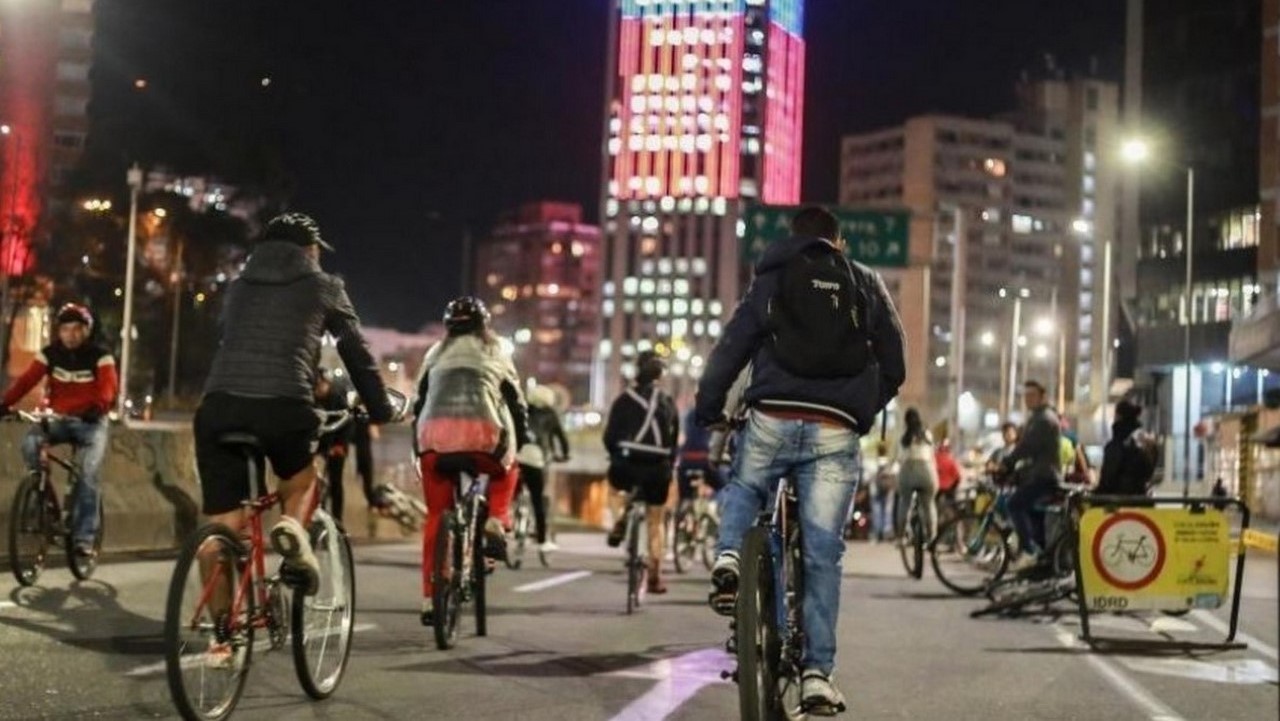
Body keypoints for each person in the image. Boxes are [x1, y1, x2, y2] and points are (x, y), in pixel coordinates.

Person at [695, 206, 906, 711]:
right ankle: (816, 674)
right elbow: (895, 363)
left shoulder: (772, 276)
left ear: (793, 239)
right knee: (821, 552)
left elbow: (732, 347)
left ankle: (729, 559)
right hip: (835, 428)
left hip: (772, 414)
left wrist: (710, 408)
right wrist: (859, 408)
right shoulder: (864, 282)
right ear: (840, 242)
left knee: (747, 488)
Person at [195, 213, 395, 595]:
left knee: (221, 527)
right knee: (303, 482)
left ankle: (221, 641)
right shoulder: (325, 286)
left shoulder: (237, 288)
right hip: (284, 405)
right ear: (309, 250)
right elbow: (356, 353)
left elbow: (227, 338)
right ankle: (289, 529)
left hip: (218, 407)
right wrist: (381, 409)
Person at [413, 296, 528, 625]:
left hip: (433, 440)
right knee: (509, 468)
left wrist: (419, 445)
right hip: (484, 439)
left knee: (437, 514)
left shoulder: (434, 354)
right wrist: (523, 436)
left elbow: (419, 403)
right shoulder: (496, 352)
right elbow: (516, 404)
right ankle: (496, 517)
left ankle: (428, 598)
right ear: (484, 326)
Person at [1, 303, 116, 559]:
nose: (71, 335)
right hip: (59, 419)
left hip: (91, 423)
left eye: (77, 329)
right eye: (65, 329)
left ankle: (85, 538)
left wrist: (97, 408)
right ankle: (42, 495)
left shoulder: (101, 356)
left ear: (87, 331)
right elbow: (26, 380)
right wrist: (5, 404)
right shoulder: (50, 354)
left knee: (88, 473)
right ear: (59, 331)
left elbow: (108, 389)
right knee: (30, 443)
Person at [603, 349, 679, 594]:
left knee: (615, 485)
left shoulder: (623, 399)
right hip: (658, 469)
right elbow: (673, 442)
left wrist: (616, 454)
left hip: (626, 466)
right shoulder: (667, 402)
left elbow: (610, 437)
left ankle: (620, 519)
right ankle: (655, 575)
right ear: (660, 375)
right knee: (656, 520)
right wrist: (670, 465)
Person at [1001, 380, 1062, 566]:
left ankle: (1029, 550)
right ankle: (1041, 557)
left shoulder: (1044, 419)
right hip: (1038, 474)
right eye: (1026, 396)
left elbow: (1027, 446)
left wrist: (1007, 463)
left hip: (1044, 476)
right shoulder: (1038, 417)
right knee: (1033, 514)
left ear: (1042, 397)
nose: (1028, 400)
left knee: (1014, 504)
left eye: (1032, 396)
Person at [516, 383, 570, 552]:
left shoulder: (523, 410)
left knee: (510, 492)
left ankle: (509, 519)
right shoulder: (551, 415)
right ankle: (542, 541)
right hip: (536, 458)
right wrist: (565, 454)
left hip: (516, 457)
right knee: (537, 500)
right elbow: (562, 438)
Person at [895, 408, 939, 545]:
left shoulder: (903, 437)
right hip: (926, 470)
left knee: (904, 503)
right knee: (929, 504)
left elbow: (899, 458)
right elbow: (932, 456)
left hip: (908, 470)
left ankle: (901, 537)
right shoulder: (927, 435)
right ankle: (931, 537)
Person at [1096, 398, 1156, 496]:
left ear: (1119, 416)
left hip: (1118, 503)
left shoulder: (1117, 445)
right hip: (1142, 501)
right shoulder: (1146, 442)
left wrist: (1095, 496)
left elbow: (1108, 480)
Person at [934, 437, 962, 511]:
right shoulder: (950, 459)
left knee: (933, 502)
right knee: (952, 501)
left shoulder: (934, 458)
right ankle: (957, 516)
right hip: (949, 486)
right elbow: (958, 476)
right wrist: (955, 485)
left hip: (937, 486)